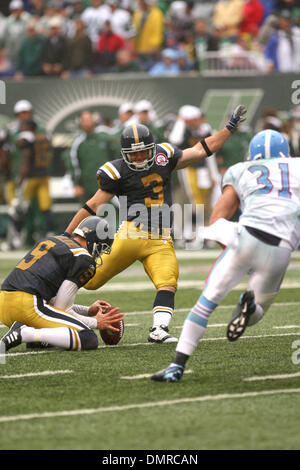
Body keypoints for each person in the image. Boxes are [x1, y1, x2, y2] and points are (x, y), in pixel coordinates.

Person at [63, 105, 247, 344]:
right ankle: (52, 306)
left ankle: (158, 330)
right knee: (91, 281)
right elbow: (93, 204)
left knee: (168, 282)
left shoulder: (164, 156)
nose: (139, 157)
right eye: (134, 154)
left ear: (152, 149)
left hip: (161, 238)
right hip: (131, 235)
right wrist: (67, 234)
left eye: (143, 152)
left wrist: (228, 129)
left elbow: (201, 150)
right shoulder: (117, 170)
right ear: (124, 153)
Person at [151, 129, 300, 382]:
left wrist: (232, 253)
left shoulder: (241, 170)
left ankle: (176, 366)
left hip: (246, 235)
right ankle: (250, 305)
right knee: (260, 308)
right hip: (280, 246)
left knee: (206, 303)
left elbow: (218, 219)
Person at [0, 216, 123, 352]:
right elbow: (63, 308)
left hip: (5, 304)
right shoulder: (84, 259)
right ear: (94, 242)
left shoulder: (53, 240)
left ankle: (37, 337)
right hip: (27, 306)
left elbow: (54, 302)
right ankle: (25, 333)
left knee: (55, 327)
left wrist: (88, 311)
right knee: (88, 338)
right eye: (101, 249)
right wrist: (96, 322)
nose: (99, 254)